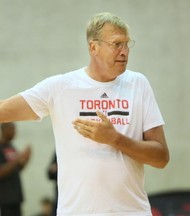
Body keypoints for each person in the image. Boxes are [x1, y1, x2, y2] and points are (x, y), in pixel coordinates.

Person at [0, 12, 169, 215]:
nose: (124, 51)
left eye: (127, 44)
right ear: (93, 47)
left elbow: (161, 157)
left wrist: (115, 139)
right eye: (116, 44)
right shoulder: (61, 87)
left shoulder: (138, 84)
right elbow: (3, 110)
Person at [0, 122, 32, 216]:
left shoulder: (11, 147)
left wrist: (26, 159)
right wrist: (18, 158)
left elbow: (16, 169)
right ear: (4, 129)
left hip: (16, 196)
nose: (15, 132)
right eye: (12, 129)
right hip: (4, 198)